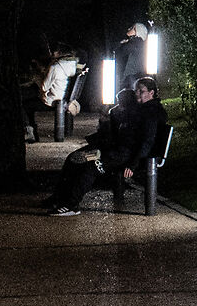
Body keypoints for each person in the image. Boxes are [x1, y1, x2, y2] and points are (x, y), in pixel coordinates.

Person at [48, 77, 167, 215]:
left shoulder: (152, 112)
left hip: (126, 154)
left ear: (151, 93)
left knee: (90, 167)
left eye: (141, 91)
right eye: (136, 90)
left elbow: (147, 141)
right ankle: (59, 198)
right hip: (115, 149)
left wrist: (133, 164)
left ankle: (70, 205)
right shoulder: (139, 108)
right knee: (73, 158)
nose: (137, 94)